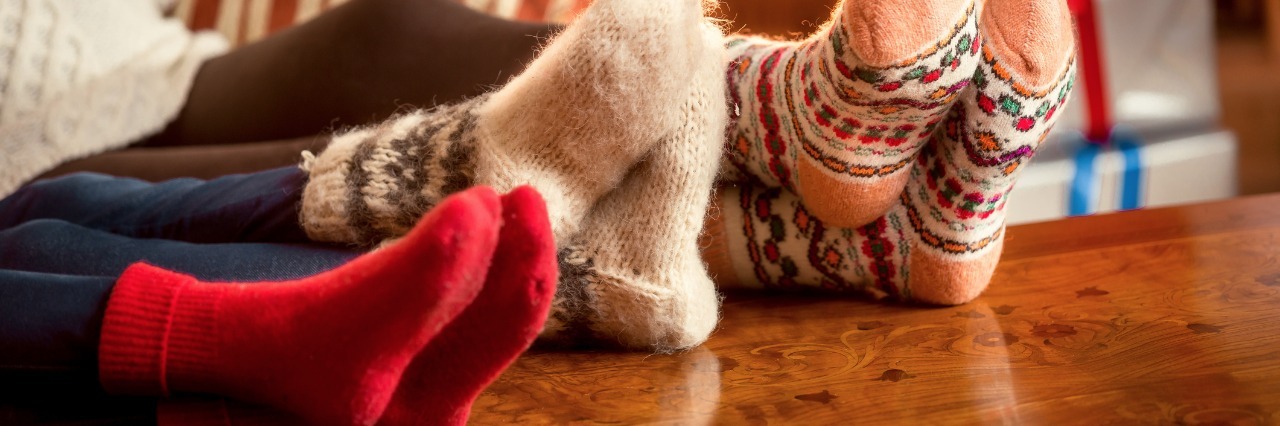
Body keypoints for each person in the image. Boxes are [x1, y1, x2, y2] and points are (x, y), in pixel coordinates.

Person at [0, 0, 1079, 422]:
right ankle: (802, 194)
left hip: (97, 58)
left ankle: (808, 162)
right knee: (56, 218)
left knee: (378, 36)